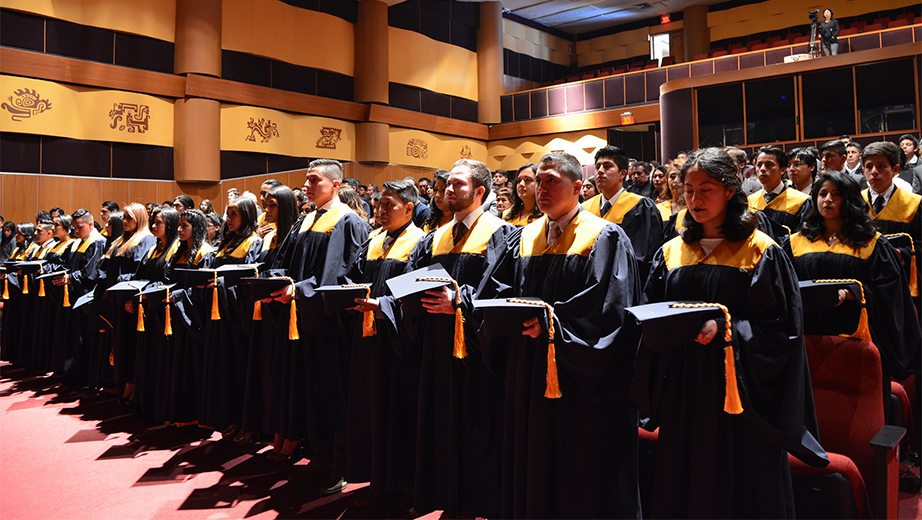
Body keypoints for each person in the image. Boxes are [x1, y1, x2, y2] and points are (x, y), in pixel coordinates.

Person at [633, 147, 828, 518]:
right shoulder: (672, 252)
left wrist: (727, 329)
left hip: (739, 393)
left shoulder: (759, 251)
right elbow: (652, 312)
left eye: (705, 189)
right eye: (688, 190)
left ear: (729, 190)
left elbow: (781, 328)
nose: (694, 199)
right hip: (684, 389)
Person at [481, 151, 642, 518]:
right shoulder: (523, 238)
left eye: (552, 180)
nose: (542, 188)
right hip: (529, 371)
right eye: (539, 180)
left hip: (578, 380)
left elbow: (611, 311)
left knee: (579, 469)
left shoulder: (603, 237)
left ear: (579, 188)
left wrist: (555, 326)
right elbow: (496, 293)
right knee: (532, 458)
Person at [378, 158, 515, 518]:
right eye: (447, 185)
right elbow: (410, 283)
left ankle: (477, 505)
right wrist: (388, 302)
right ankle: (447, 500)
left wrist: (460, 303)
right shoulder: (434, 237)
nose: (448, 191)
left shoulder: (501, 234)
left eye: (458, 185)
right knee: (439, 426)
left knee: (476, 431)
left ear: (480, 192)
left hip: (474, 355)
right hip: (436, 351)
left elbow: (502, 293)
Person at [263, 160, 368, 494]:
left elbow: (341, 276)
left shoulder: (347, 221)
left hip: (329, 325)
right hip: (302, 321)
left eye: (314, 180)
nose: (306, 186)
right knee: (309, 392)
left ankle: (342, 464)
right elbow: (284, 265)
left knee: (332, 394)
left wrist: (300, 291)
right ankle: (320, 458)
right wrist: (273, 287)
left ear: (335, 185)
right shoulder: (307, 220)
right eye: (306, 180)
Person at [784, 171, 920, 413]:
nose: (827, 200)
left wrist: (853, 293)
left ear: (850, 200)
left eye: (836, 195)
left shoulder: (872, 243)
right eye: (822, 194)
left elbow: (891, 296)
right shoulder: (795, 242)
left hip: (857, 334)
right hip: (808, 335)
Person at [343, 179, 426, 515]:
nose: (379, 210)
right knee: (372, 411)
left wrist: (385, 305)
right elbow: (355, 275)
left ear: (409, 208)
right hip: (370, 340)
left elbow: (418, 290)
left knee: (402, 414)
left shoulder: (420, 242)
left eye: (388, 205)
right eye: (378, 204)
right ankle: (380, 482)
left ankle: (409, 487)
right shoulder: (373, 240)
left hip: (401, 343)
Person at [582, 145, 663, 279]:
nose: (600, 171)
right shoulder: (585, 209)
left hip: (627, 283)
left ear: (623, 174)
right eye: (597, 167)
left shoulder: (641, 206)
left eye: (607, 166)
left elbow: (646, 255)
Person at [50, 209, 107, 381]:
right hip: (72, 293)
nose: (76, 230)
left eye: (79, 227)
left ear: (90, 224)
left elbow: (91, 273)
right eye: (74, 227)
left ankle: (83, 375)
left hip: (84, 296)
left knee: (82, 336)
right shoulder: (77, 242)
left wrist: (71, 278)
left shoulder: (97, 242)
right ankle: (70, 372)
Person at [861, 141, 922, 301]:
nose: (874, 172)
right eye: (869, 166)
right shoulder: (855, 204)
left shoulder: (914, 203)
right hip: (867, 286)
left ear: (895, 169)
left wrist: (903, 255)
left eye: (881, 166)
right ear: (863, 170)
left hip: (903, 284)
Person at [748, 145, 813, 231]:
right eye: (759, 165)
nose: (762, 169)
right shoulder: (750, 201)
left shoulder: (802, 201)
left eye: (769, 165)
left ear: (782, 170)